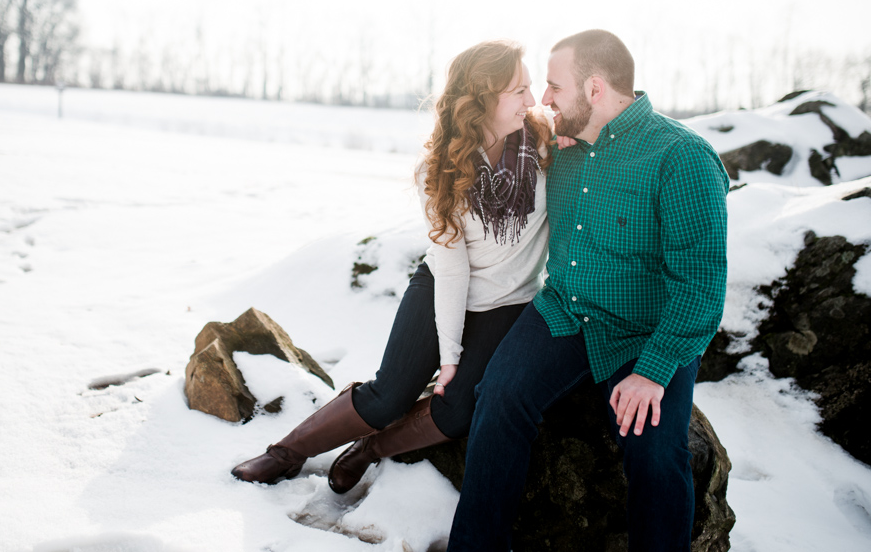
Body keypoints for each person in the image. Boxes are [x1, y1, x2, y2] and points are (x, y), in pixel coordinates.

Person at [447, 30, 729, 552]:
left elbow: (701, 283)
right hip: (562, 313)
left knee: (657, 453)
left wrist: (653, 371)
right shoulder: (564, 145)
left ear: (595, 89)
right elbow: (483, 140)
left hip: (645, 333)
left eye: (554, 86)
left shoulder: (682, 158)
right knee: (498, 397)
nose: (545, 99)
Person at [231, 40, 554, 494]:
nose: (533, 100)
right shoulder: (439, 170)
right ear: (482, 98)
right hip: (442, 284)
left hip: (507, 302)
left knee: (457, 411)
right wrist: (449, 354)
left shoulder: (544, 146)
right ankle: (286, 453)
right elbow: (453, 268)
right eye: (519, 90)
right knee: (389, 396)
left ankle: (369, 449)